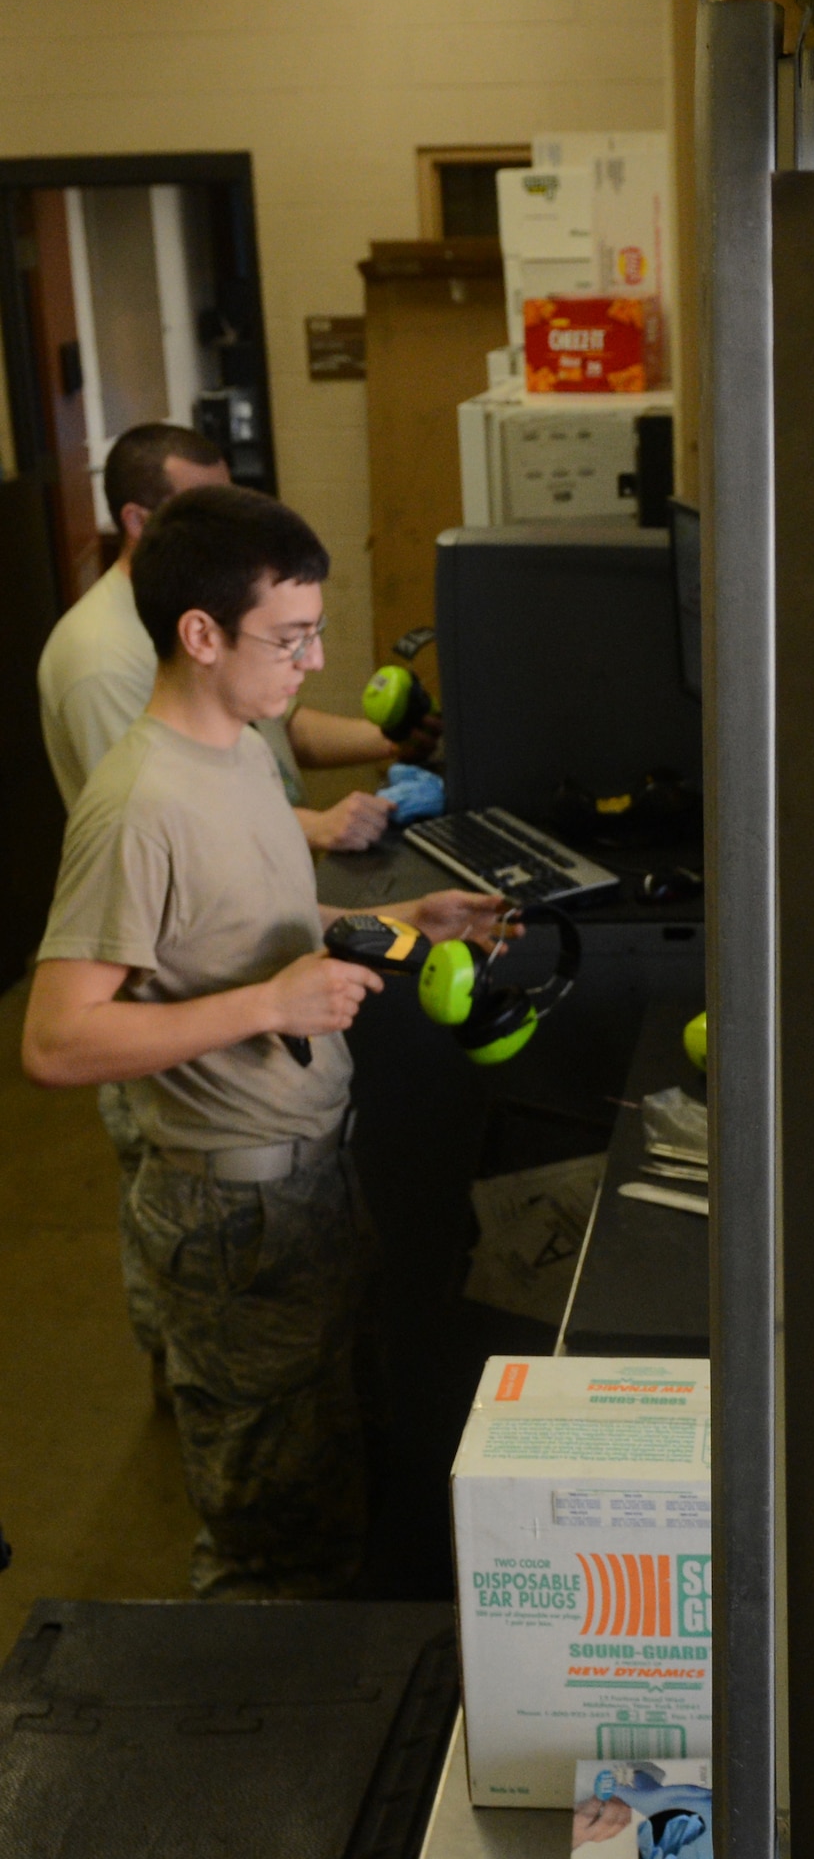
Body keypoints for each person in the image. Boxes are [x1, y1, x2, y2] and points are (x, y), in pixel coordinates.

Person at [22, 484, 506, 1599]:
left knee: (337, 1477)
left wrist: (406, 921)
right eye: (289, 639)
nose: (313, 660)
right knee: (270, 1544)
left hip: (313, 1178)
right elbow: (54, 1041)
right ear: (201, 634)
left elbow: (251, 928)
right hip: (231, 1214)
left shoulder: (239, 749)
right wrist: (266, 1009)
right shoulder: (136, 805)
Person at [36, 421, 436, 852]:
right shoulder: (99, 659)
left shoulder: (213, 602)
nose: (232, 530)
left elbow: (279, 733)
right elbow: (165, 818)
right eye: (204, 511)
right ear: (137, 521)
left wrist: (391, 739)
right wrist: (315, 826)